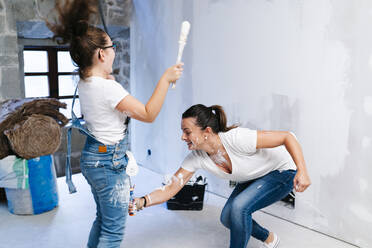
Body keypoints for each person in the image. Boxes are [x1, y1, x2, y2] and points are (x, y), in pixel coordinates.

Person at [46, 0, 183, 247]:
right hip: (108, 165)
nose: (115, 51)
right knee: (113, 232)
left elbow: (103, 89)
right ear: (101, 54)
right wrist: (164, 79)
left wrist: (106, 75)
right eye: (112, 47)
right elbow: (148, 114)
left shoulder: (86, 82)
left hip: (93, 159)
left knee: (104, 220)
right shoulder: (108, 88)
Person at [133, 104, 311, 248]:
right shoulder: (197, 158)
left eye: (187, 132)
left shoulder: (235, 138)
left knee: (239, 208)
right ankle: (270, 239)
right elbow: (170, 188)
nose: (182, 137)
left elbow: (288, 137)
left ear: (207, 132)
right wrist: (141, 202)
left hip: (283, 171)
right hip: (257, 175)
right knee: (227, 217)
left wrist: (302, 171)